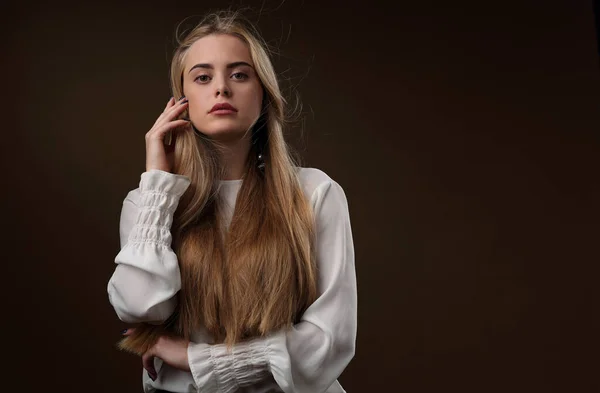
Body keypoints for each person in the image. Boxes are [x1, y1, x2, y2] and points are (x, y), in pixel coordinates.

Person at [106, 9, 357, 393]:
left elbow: (330, 342)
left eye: (239, 74)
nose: (221, 89)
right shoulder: (149, 203)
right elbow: (140, 307)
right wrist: (158, 182)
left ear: (264, 95)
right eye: (203, 77)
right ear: (181, 99)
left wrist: (195, 359)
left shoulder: (315, 195)